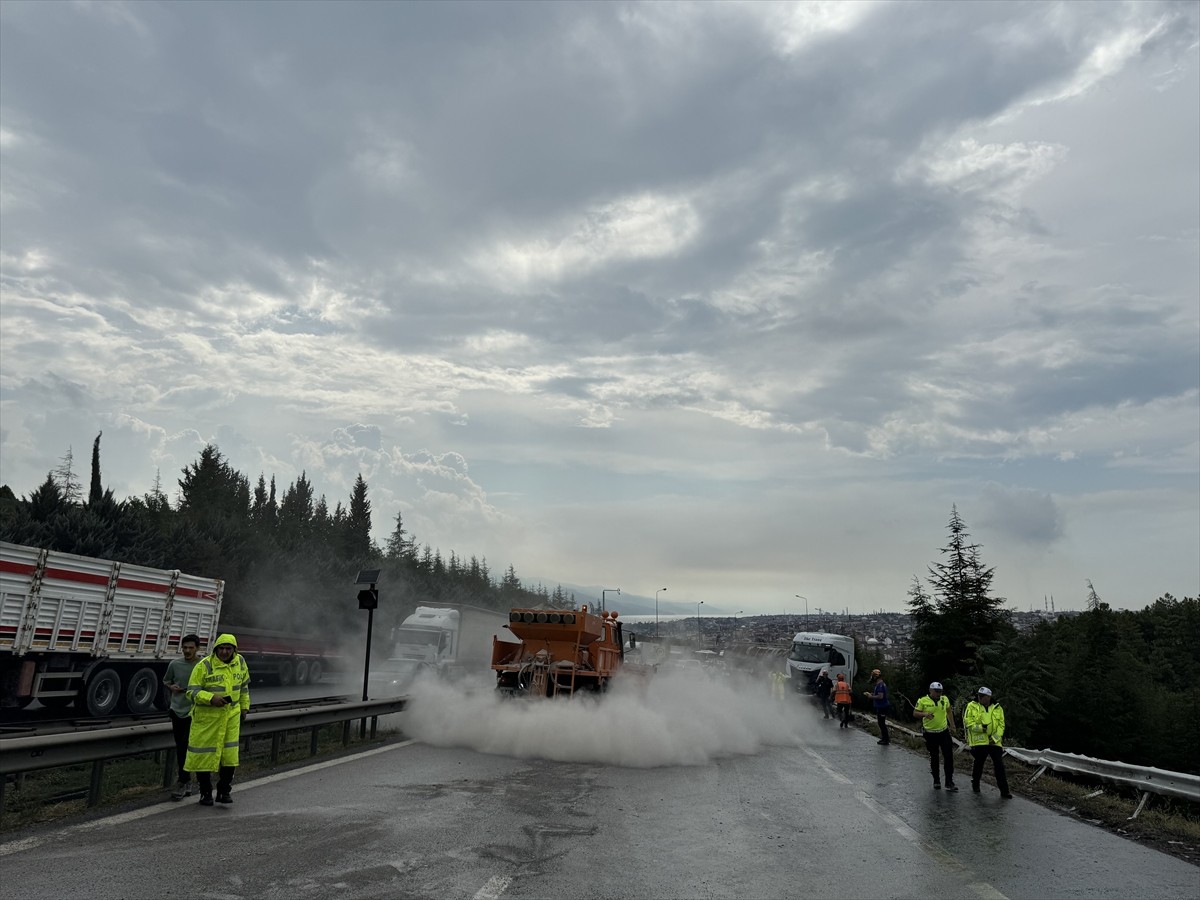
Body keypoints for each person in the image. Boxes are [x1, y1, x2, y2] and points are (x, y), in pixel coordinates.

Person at [185, 633, 251, 806]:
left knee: (230, 756)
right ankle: (205, 793)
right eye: (221, 648)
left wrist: (244, 707)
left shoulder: (240, 662)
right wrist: (210, 698)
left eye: (228, 649)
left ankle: (223, 791)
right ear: (215, 649)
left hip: (231, 716)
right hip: (208, 719)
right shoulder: (204, 665)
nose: (224, 652)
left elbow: (244, 688)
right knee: (204, 756)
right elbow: (191, 692)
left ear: (234, 650)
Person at [163, 634, 201, 800]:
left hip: (195, 711)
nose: (187, 651)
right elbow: (166, 680)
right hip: (177, 710)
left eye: (190, 648)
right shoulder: (175, 664)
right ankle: (184, 781)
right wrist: (172, 687)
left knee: (192, 746)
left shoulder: (203, 665)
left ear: (197, 648)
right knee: (181, 746)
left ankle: (194, 780)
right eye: (184, 648)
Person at [964, 686, 1012, 799]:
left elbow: (1001, 725)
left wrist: (995, 738)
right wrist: (981, 728)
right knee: (979, 764)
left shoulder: (997, 708)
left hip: (994, 742)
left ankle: (1005, 791)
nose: (980, 698)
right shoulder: (972, 706)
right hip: (979, 741)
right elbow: (968, 723)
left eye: (983, 696)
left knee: (999, 765)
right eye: (979, 696)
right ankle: (975, 782)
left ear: (989, 697)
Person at [914, 681, 958, 791]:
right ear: (930, 691)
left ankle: (949, 781)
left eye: (940, 692)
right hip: (930, 733)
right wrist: (924, 714)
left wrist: (952, 725)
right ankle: (936, 780)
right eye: (936, 691)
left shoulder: (944, 699)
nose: (938, 694)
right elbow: (915, 713)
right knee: (934, 757)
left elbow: (949, 711)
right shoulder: (923, 700)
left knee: (948, 756)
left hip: (943, 732)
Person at [864, 668, 890, 744]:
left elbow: (880, 696)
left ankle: (886, 739)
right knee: (880, 723)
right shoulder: (879, 685)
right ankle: (884, 738)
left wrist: (870, 697)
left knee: (882, 723)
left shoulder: (880, 685)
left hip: (883, 706)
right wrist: (872, 694)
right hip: (880, 706)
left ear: (876, 677)